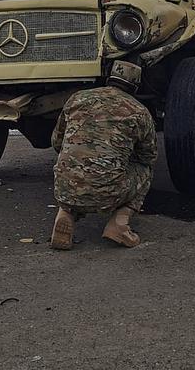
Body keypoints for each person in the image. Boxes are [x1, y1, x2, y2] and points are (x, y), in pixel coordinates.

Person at [50, 61, 157, 250]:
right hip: (109, 192)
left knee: (71, 168)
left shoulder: (77, 98)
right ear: (135, 86)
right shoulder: (139, 112)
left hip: (65, 188)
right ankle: (119, 224)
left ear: (109, 78)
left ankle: (65, 215)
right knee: (145, 171)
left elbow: (57, 143)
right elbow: (148, 157)